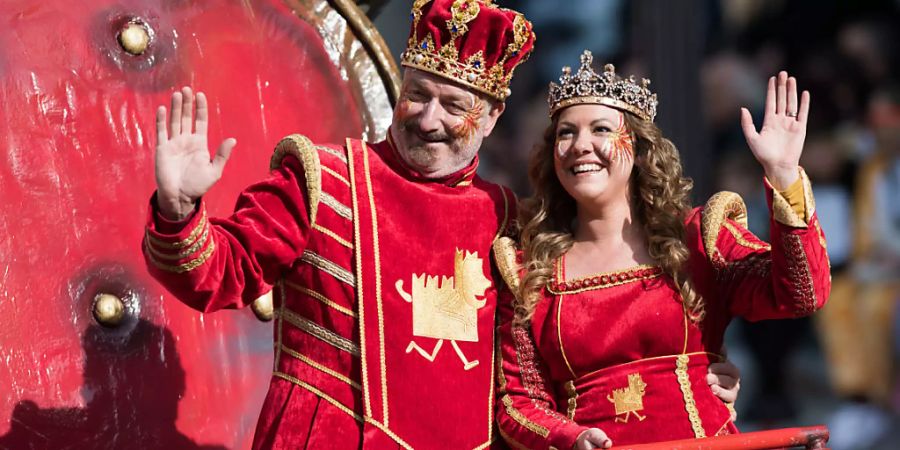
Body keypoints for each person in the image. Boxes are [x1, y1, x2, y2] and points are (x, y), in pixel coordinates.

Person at [143, 1, 738, 446]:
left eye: (454, 106)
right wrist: (179, 211)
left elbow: (564, 354)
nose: (428, 118)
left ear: (491, 116)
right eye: (417, 95)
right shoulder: (324, 179)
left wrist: (688, 370)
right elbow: (217, 274)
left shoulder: (512, 220)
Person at [493, 51, 830, 449]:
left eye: (600, 129)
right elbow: (520, 402)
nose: (580, 145)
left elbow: (802, 293)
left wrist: (783, 173)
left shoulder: (699, 239)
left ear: (637, 148)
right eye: (566, 133)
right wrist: (571, 436)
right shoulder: (528, 267)